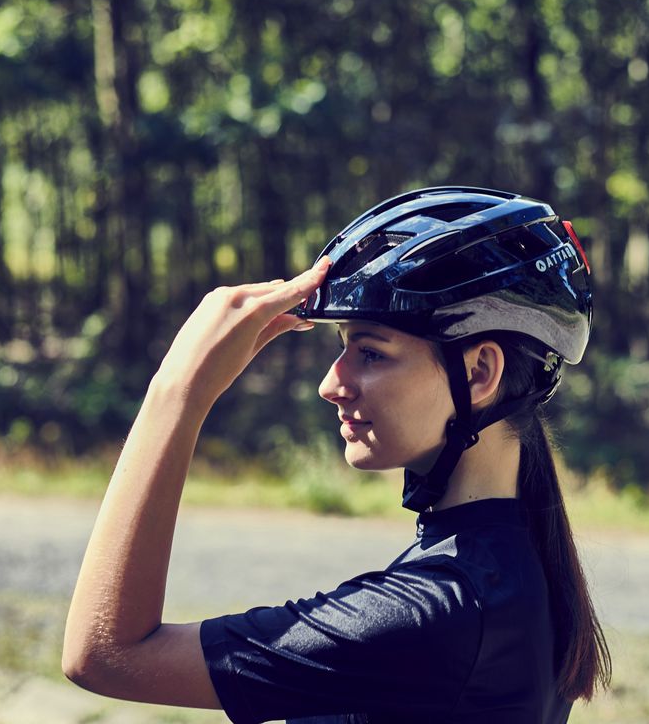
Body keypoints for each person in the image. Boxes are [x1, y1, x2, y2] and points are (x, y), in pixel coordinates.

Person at [63, 186, 610, 724]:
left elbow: (107, 654)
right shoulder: (512, 565)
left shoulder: (435, 611)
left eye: (371, 352)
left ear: (479, 372)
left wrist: (176, 394)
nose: (332, 383)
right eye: (342, 346)